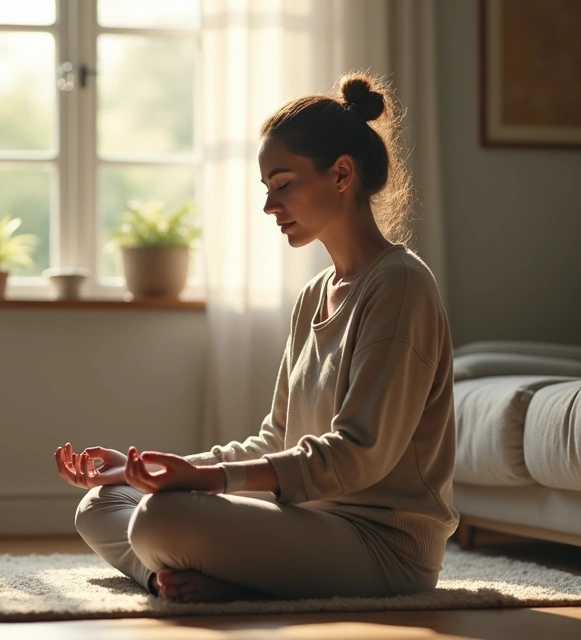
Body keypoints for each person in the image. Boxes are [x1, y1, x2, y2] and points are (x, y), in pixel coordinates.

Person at [54, 71, 457, 604]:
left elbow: (360, 455)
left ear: (341, 175)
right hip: (306, 522)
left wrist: (206, 483)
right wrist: (143, 470)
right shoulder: (314, 294)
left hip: (382, 547)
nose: (270, 207)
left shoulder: (401, 285)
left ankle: (198, 571)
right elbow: (276, 439)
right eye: (267, 189)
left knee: (159, 520)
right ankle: (168, 581)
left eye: (283, 184)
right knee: (103, 503)